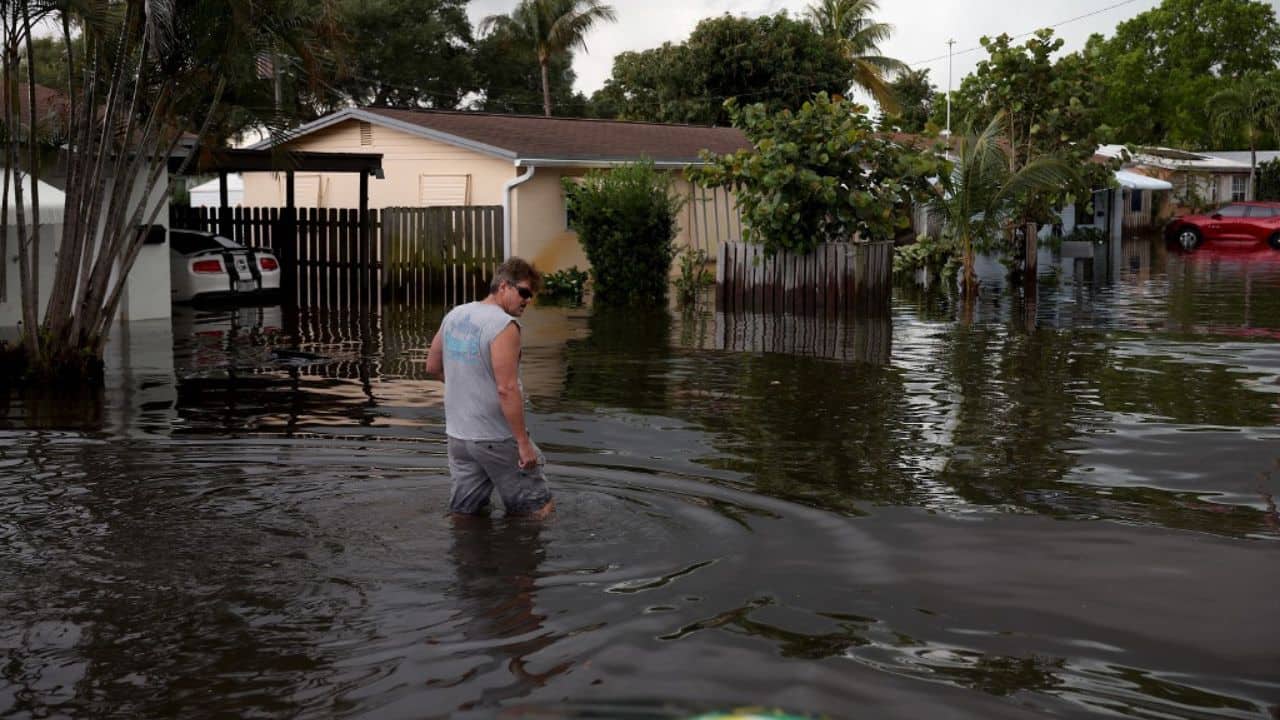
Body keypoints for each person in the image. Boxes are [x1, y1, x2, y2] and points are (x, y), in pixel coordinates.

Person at [426, 257, 554, 519]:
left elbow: (432, 366)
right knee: (539, 510)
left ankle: (466, 557)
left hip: (459, 437)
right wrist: (523, 443)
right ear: (504, 286)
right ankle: (522, 557)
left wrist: (467, 387)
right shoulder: (503, 326)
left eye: (531, 296)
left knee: (465, 514)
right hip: (495, 436)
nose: (527, 300)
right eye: (524, 293)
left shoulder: (456, 314)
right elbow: (507, 389)